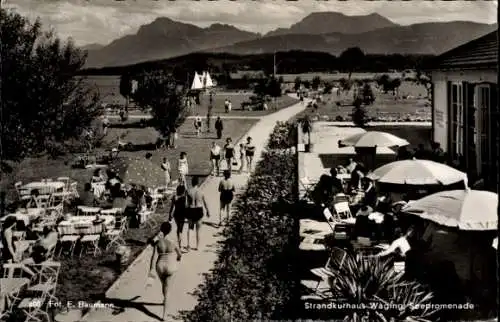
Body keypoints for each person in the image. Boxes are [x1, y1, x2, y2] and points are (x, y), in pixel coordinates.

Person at [148, 222, 182, 321]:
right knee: (168, 291)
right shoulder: (173, 240)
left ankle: (164, 300)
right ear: (170, 230)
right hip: (170, 266)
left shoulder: (158, 242)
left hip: (160, 266)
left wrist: (151, 269)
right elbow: (179, 253)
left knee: (164, 285)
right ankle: (164, 315)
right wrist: (178, 258)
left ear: (161, 230)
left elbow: (153, 257)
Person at [185, 176, 210, 250]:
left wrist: (185, 212)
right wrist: (208, 211)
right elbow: (205, 202)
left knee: (190, 228)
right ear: (198, 183)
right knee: (198, 230)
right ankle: (197, 246)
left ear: (192, 183)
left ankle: (188, 245)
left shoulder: (188, 191)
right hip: (199, 210)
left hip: (191, 209)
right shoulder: (201, 191)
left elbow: (186, 204)